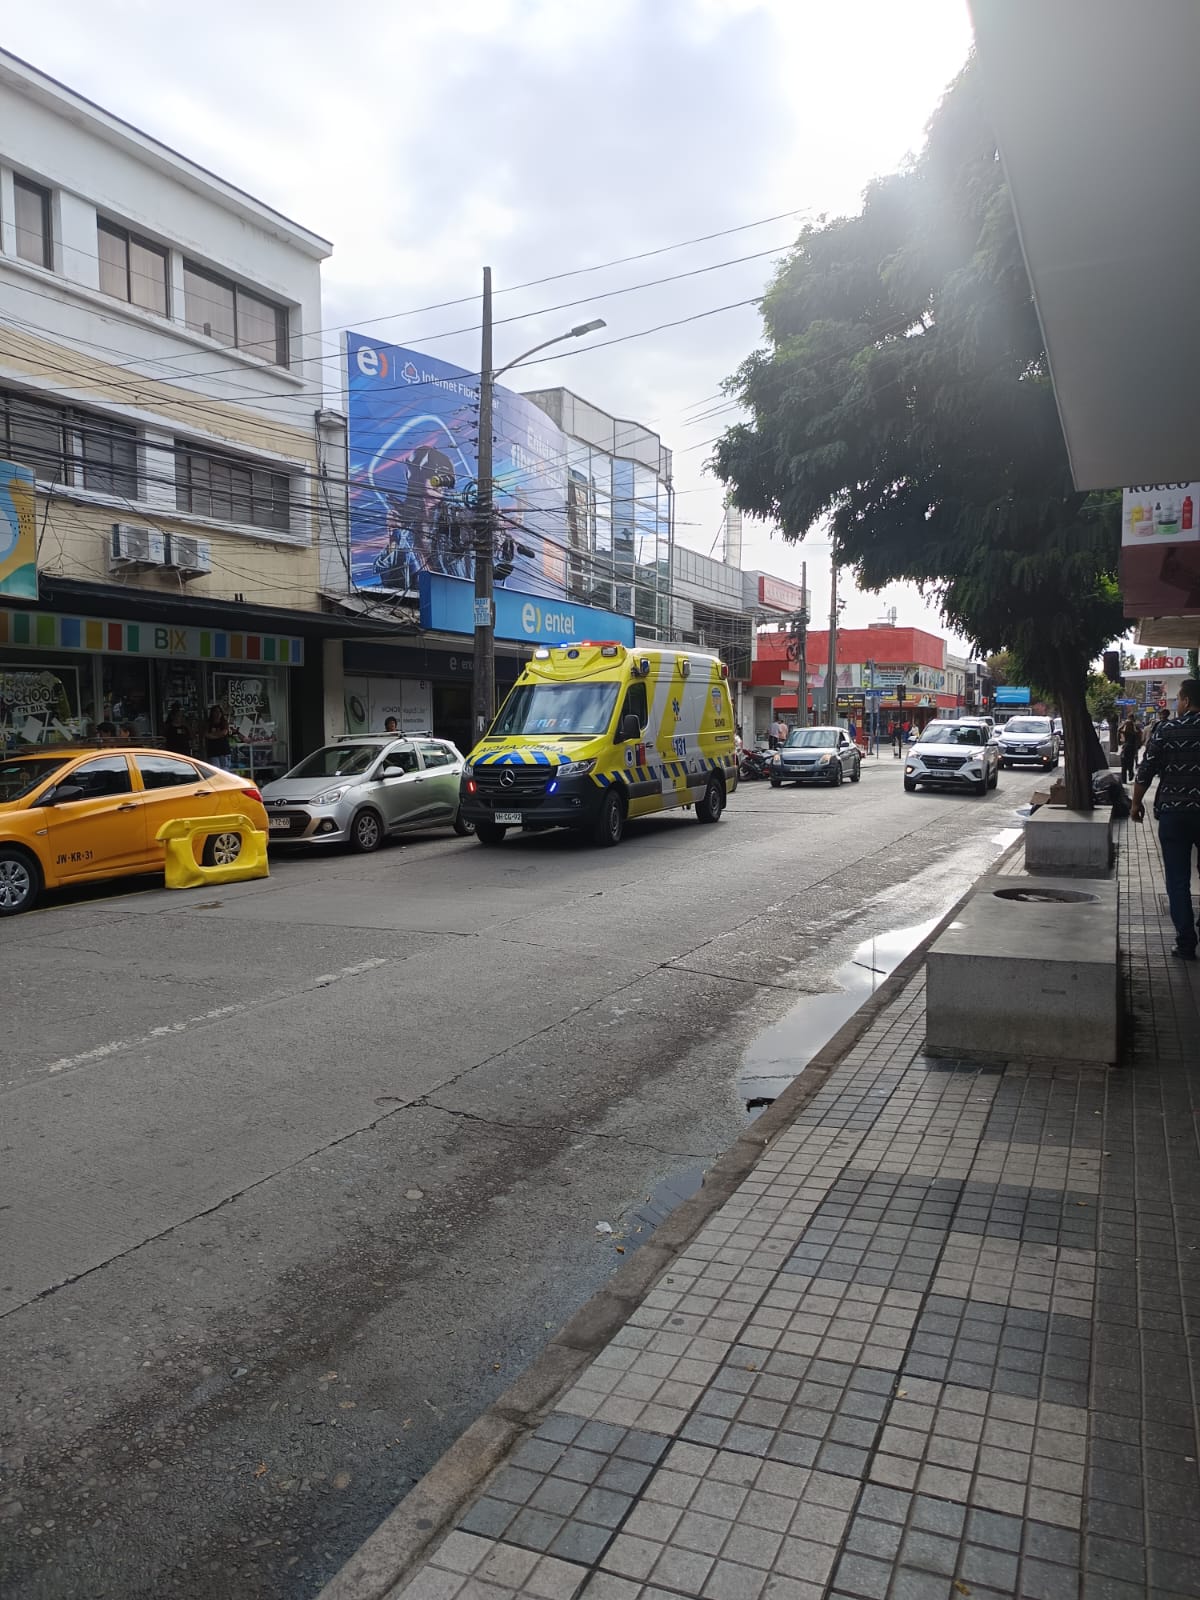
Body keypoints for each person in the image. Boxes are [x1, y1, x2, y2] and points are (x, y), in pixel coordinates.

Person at [1130, 677, 1200, 961]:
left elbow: (1146, 769)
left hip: (1175, 812)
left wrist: (1135, 803)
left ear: (1184, 701)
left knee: (1178, 879)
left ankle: (1186, 943)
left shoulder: (1167, 729)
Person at [204, 703, 232, 769]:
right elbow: (206, 735)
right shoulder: (208, 723)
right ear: (212, 713)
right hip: (213, 752)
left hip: (224, 751)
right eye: (215, 711)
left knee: (225, 772)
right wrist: (219, 735)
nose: (217, 713)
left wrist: (213, 736)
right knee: (216, 772)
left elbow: (224, 733)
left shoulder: (224, 722)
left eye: (219, 711)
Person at [1119, 714, 1142, 783]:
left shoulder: (1126, 731)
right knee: (1130, 763)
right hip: (1132, 748)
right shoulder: (1134, 731)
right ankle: (1130, 775)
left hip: (1126, 748)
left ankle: (1124, 780)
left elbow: (1119, 730)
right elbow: (1139, 733)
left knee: (1124, 766)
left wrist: (1124, 724)